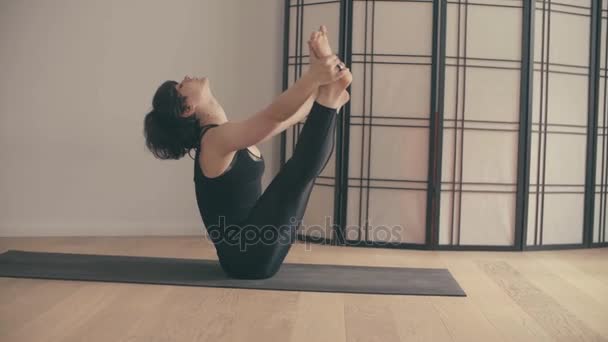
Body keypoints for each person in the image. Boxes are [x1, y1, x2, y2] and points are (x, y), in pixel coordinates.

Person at [144, 25, 352, 279]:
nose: (186, 77)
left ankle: (329, 95)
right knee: (296, 174)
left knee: (297, 173)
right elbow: (275, 114)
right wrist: (314, 76)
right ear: (187, 108)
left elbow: (287, 118)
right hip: (245, 256)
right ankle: (329, 95)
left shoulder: (225, 135)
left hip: (253, 247)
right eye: (180, 87)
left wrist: (319, 82)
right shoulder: (213, 141)